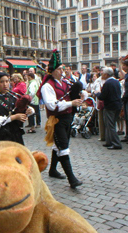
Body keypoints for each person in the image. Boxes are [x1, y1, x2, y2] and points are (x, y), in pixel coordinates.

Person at [38, 49, 83, 189]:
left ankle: (52, 170)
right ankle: (72, 179)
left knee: (59, 145)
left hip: (67, 118)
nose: (61, 71)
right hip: (56, 119)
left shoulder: (64, 82)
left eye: (62, 68)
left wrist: (82, 96)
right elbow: (52, 105)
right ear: (52, 71)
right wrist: (71, 103)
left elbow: (80, 91)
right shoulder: (47, 86)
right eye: (59, 69)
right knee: (63, 147)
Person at [0, 71, 33, 145]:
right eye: (1, 82)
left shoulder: (13, 97)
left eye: (7, 81)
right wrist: (14, 117)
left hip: (15, 135)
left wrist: (29, 111)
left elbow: (21, 109)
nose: (5, 84)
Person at [95, 67, 122, 150]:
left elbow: (103, 96)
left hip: (110, 106)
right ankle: (109, 141)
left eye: (103, 73)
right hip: (117, 105)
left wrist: (98, 93)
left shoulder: (107, 83)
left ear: (106, 74)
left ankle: (116, 143)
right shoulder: (116, 82)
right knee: (111, 124)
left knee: (110, 125)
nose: (102, 74)